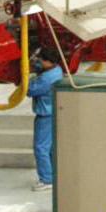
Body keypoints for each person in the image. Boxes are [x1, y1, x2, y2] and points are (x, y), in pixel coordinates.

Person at [27, 50, 66, 192]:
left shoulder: (47, 78)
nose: (39, 62)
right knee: (50, 148)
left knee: (41, 147)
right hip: (53, 112)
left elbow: (30, 90)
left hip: (45, 115)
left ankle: (47, 179)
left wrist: (27, 76)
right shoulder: (57, 70)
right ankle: (53, 175)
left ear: (48, 61)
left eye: (41, 60)